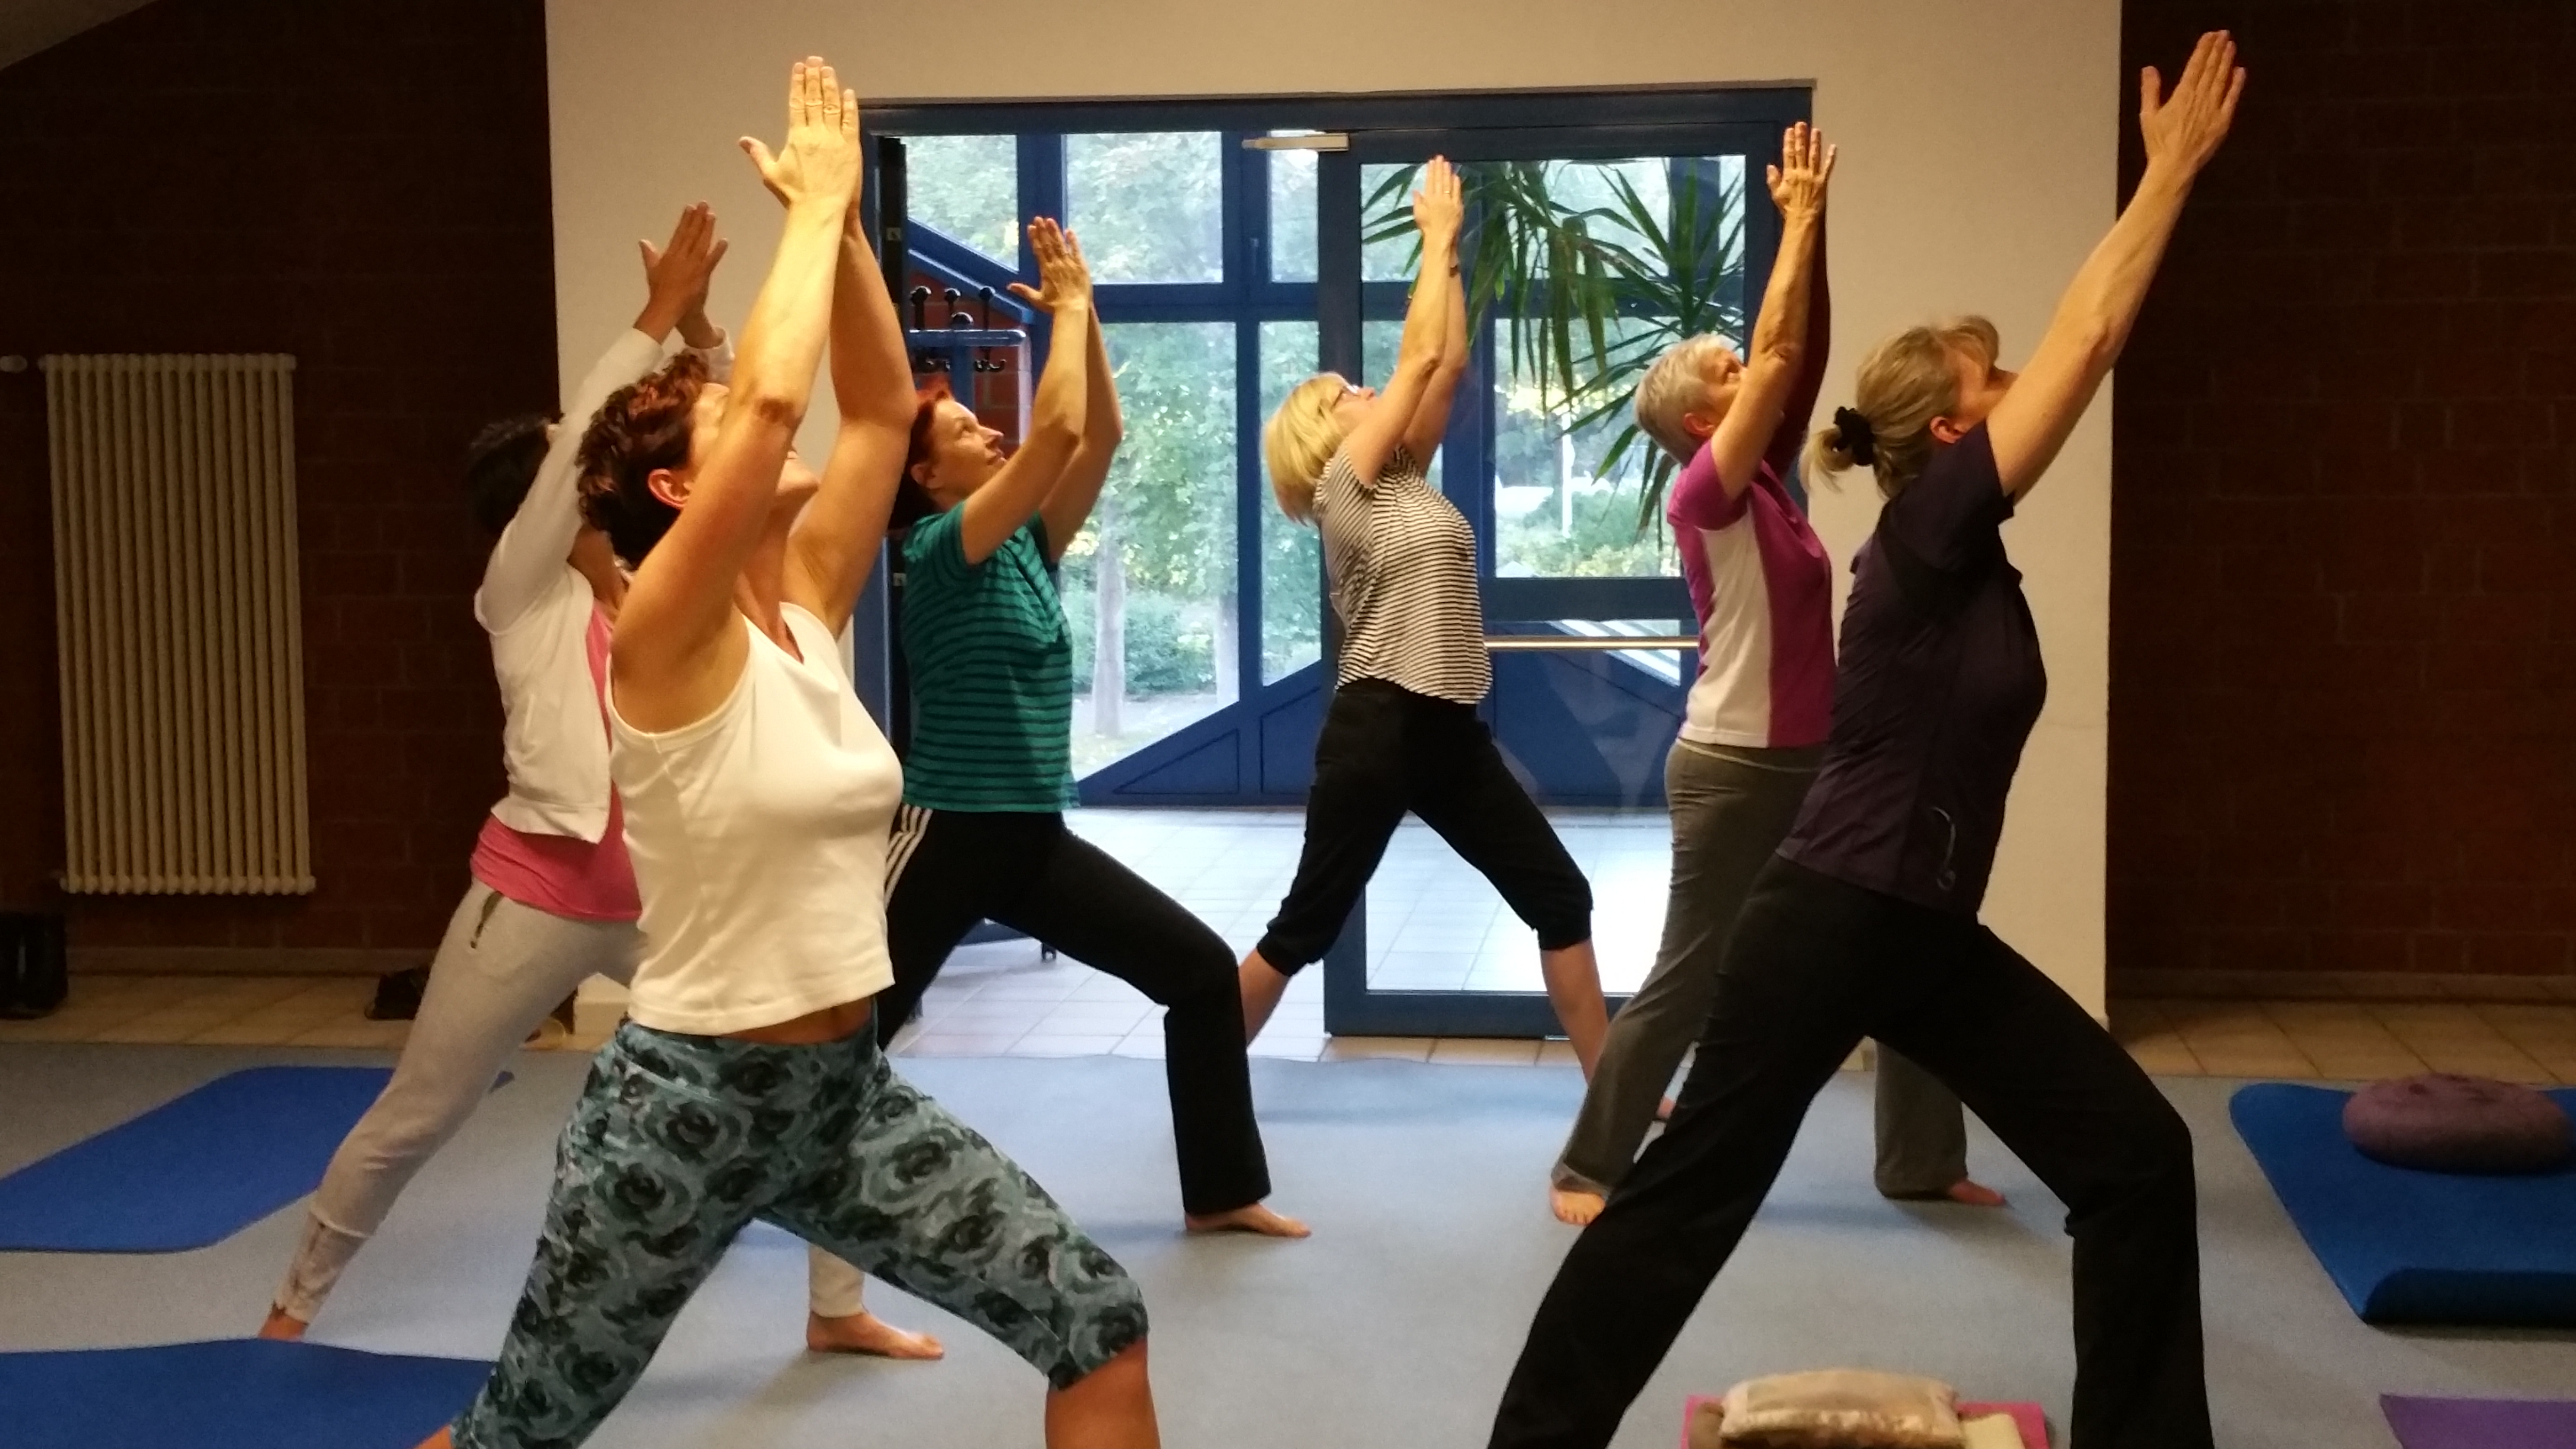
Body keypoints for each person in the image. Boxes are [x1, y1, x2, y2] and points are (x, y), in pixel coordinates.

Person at [1487, 34, 2243, 1449]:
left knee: (2137, 1156)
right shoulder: (1931, 527)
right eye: (1996, 376)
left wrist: (1808, 229)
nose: (2023, 383)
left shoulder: (1955, 550)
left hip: (1920, 928)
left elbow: (1801, 350)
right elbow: (2090, 338)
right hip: (1834, 914)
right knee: (1687, 1204)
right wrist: (2171, 175)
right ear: (1953, 430)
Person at [418, 60, 1157, 1449]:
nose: (775, 430)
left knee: (1095, 1319)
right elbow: (766, 407)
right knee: (517, 1432)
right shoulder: (660, 636)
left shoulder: (805, 610)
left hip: (840, 1096)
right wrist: (807, 215)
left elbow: (874, 412)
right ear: (680, 492)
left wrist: (852, 224)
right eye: (729, 435)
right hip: (680, 1112)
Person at [257, 202, 927, 1359]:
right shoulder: (521, 597)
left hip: (668, 902)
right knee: (423, 1110)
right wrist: (653, 322)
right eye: (565, 458)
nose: (585, 460)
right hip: (541, 893)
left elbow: (728, 457)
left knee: (819, 1077)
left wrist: (704, 343)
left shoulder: (681, 591)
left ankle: (837, 1309)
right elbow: (621, 451)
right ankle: (294, 1304)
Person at [1546, 126, 1997, 1226]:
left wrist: (1816, 226)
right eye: (1728, 372)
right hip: (1736, 768)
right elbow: (1784, 356)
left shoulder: (1770, 496)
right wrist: (1792, 222)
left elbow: (1803, 343)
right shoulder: (1703, 496)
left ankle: (1920, 1158)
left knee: (1906, 934)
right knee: (1693, 973)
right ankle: (1587, 1168)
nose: (1749, 371)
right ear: (1704, 423)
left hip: (1817, 758)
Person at [863, 217, 1301, 1240]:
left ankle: (1223, 1193)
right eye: (965, 432)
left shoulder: (1022, 544)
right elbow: (1054, 433)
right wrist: (1061, 314)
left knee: (1199, 973)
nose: (991, 434)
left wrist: (1086, 312)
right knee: (845, 1029)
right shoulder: (940, 547)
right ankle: (728, 1166)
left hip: (1029, 839)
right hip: (946, 833)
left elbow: (1095, 434)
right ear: (925, 477)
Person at [1247, 159, 1610, 1073]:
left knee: (1560, 898)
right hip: (1377, 728)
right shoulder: (1342, 487)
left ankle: (1611, 1091)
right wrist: (1435, 235)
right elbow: (1413, 363)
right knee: (1304, 930)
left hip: (1446, 728)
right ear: (1325, 433)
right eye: (1349, 394)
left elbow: (1442, 362)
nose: (1369, 392)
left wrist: (1447, 264)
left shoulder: (1405, 477)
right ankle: (1201, 1071)